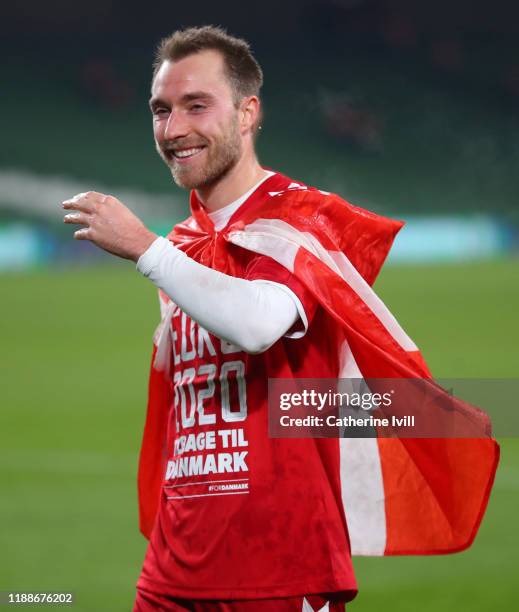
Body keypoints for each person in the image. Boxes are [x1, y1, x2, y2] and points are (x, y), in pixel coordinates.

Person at [62, 26, 498, 612]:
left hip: (280, 566)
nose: (174, 129)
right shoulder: (186, 243)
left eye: (197, 105)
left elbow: (261, 323)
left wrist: (146, 249)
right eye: (161, 110)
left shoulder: (301, 217)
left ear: (247, 113)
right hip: (174, 567)